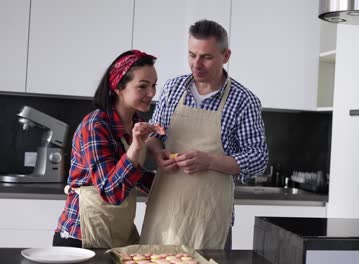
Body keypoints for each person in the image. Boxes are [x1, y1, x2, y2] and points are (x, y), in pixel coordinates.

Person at [140, 19, 269, 250]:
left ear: (226, 55)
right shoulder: (172, 88)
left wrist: (209, 161)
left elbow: (258, 158)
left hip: (210, 217)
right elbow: (154, 134)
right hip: (165, 210)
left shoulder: (243, 100)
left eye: (206, 57)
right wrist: (158, 152)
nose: (196, 64)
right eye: (192, 55)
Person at [53, 50, 163, 249]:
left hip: (119, 234)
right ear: (119, 87)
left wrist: (171, 179)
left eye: (154, 85)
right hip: (80, 238)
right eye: (142, 86)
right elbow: (111, 192)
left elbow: (133, 176)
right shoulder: (95, 126)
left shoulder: (137, 122)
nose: (152, 93)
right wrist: (137, 146)